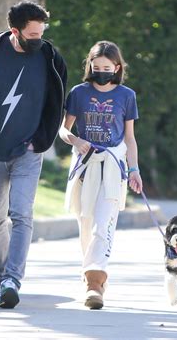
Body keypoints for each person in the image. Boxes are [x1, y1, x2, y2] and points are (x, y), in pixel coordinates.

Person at [0, 1, 67, 309]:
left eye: (41, 32)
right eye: (32, 34)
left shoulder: (49, 57)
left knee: (21, 214)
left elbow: (57, 102)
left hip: (27, 151)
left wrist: (42, 141)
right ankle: (3, 279)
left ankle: (12, 280)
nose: (38, 39)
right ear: (15, 31)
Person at [59, 41, 142, 310]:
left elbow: (129, 138)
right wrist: (74, 140)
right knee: (86, 223)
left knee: (102, 224)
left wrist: (134, 170)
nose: (101, 71)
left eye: (107, 67)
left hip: (112, 169)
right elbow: (63, 129)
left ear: (117, 67)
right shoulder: (79, 93)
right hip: (86, 166)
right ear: (90, 66)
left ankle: (95, 283)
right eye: (97, 67)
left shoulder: (126, 96)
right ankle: (91, 276)